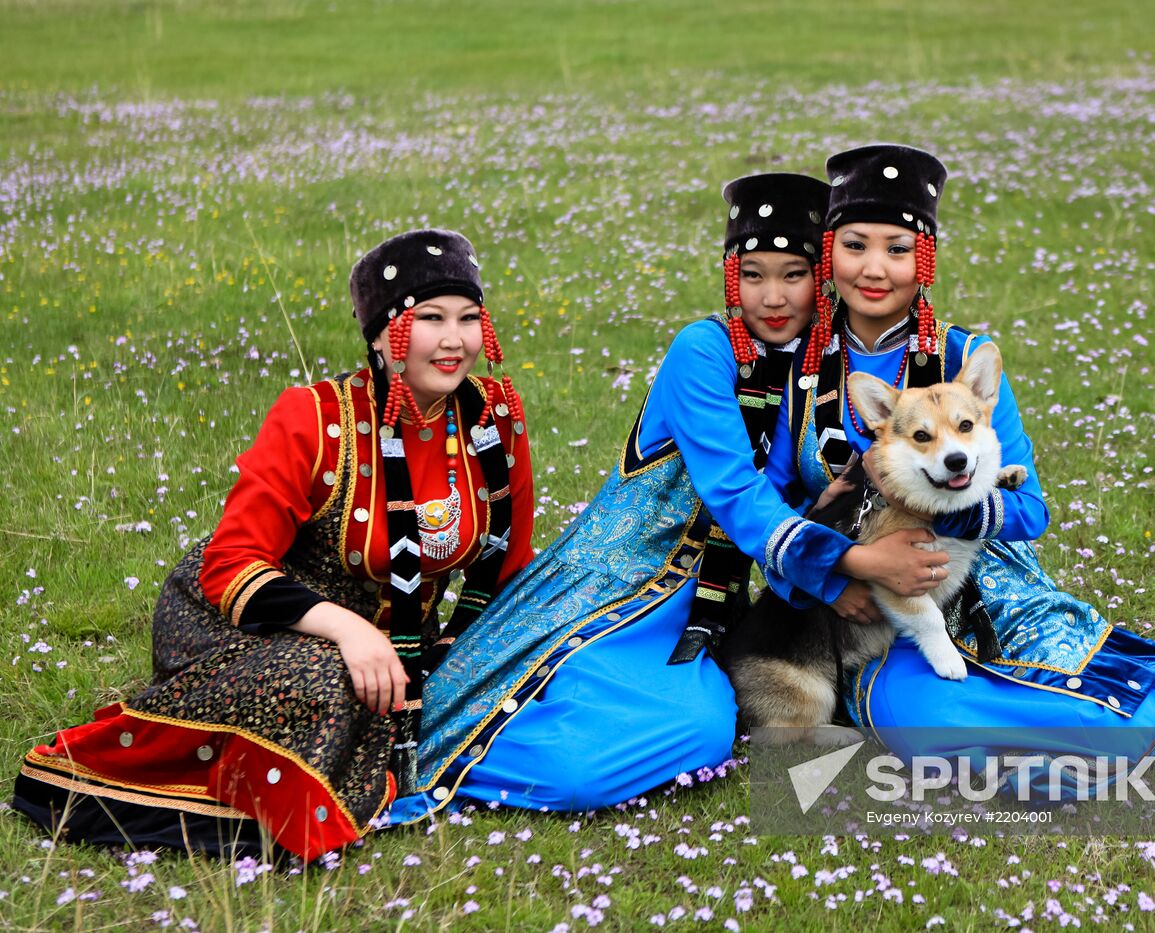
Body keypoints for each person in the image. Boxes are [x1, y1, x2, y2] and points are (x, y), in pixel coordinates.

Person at [387, 173, 944, 823]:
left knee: (706, 732)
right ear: (731, 275)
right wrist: (847, 565)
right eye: (754, 274)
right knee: (578, 770)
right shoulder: (703, 351)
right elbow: (736, 492)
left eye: (793, 274)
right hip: (607, 594)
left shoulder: (816, 371)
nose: (772, 296)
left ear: (821, 279)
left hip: (702, 622)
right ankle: (475, 755)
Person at [763, 145, 1155, 789]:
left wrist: (939, 500)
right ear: (828, 252)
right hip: (869, 610)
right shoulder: (798, 374)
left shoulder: (964, 355)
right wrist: (843, 569)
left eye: (897, 248)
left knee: (1044, 709)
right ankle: (1080, 711)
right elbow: (774, 512)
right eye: (855, 246)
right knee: (924, 729)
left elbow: (1032, 510)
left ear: (923, 257)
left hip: (988, 585)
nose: (874, 268)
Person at [14, 230, 535, 859]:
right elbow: (230, 564)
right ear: (378, 334)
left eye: (469, 319)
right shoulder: (314, 417)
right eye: (430, 318)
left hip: (396, 637)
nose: (455, 341)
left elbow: (510, 562)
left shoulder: (493, 416)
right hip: (250, 620)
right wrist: (351, 632)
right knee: (332, 681)